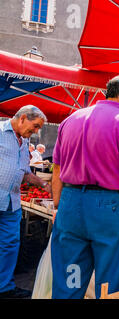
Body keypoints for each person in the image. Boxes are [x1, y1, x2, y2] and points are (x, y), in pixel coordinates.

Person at [50, 75, 119, 299]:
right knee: (110, 277)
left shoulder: (71, 120)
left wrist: (59, 206)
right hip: (110, 208)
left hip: (70, 204)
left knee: (70, 274)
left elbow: (56, 171)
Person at [0, 105, 51, 299]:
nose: (36, 131)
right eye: (35, 125)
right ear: (22, 118)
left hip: (12, 202)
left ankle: (4, 287)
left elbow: (25, 173)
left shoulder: (24, 141)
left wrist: (43, 184)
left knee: (10, 244)